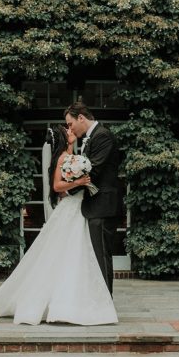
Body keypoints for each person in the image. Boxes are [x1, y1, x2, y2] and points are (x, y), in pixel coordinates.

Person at [0, 123, 118, 326]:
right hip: (71, 209)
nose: (71, 131)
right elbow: (57, 186)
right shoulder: (62, 158)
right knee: (66, 253)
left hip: (79, 210)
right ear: (63, 138)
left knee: (74, 255)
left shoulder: (74, 156)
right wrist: (78, 182)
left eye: (71, 127)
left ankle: (74, 301)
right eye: (67, 130)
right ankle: (60, 303)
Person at [64, 103, 122, 297]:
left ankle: (105, 301)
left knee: (101, 255)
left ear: (81, 117)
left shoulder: (102, 135)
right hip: (95, 206)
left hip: (103, 206)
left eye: (71, 124)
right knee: (95, 255)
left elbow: (94, 170)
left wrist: (69, 188)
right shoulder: (90, 138)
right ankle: (98, 299)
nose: (70, 129)